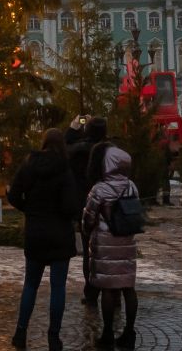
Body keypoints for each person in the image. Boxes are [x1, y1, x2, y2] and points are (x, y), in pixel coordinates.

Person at [8, 128, 81, 351]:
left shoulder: (29, 164)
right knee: (58, 287)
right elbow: (70, 206)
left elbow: (13, 195)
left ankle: (20, 332)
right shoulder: (64, 169)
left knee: (30, 284)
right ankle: (53, 336)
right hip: (59, 234)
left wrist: (29, 209)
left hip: (35, 232)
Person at [81, 146, 139, 348]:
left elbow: (88, 217)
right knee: (128, 287)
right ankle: (129, 332)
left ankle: (107, 334)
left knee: (108, 288)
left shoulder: (100, 188)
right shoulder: (131, 186)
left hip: (106, 242)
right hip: (127, 241)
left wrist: (86, 231)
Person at [69, 118, 109, 312]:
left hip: (83, 204)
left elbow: (65, 148)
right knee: (110, 250)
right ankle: (113, 293)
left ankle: (90, 293)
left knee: (88, 250)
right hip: (108, 205)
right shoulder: (109, 151)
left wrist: (72, 130)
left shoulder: (77, 151)